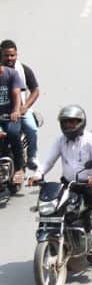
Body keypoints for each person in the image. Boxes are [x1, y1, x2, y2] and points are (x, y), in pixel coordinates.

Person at [0, 39, 41, 193]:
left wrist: (22, 108)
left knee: (30, 128)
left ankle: (30, 158)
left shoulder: (21, 71)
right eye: (6, 56)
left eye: (13, 55)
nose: (10, 58)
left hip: (18, 111)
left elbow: (33, 91)